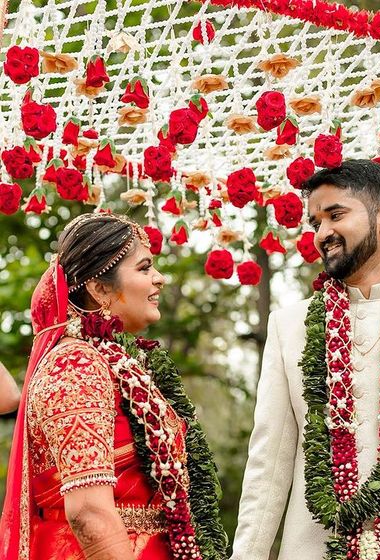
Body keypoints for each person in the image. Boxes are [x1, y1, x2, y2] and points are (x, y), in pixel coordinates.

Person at [0, 212, 227, 560]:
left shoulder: (106, 360)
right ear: (100, 288)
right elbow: (89, 513)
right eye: (144, 268)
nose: (159, 279)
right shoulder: (74, 365)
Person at [231, 160, 380, 560]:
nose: (322, 234)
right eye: (315, 222)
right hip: (314, 548)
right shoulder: (290, 327)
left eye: (336, 215)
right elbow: (268, 463)